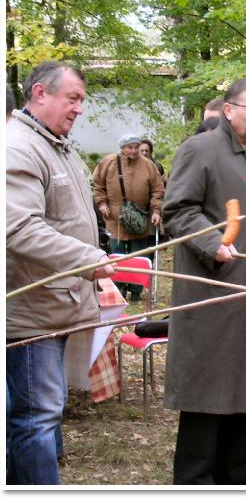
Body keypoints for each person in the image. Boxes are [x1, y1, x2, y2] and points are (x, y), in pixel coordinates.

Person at [162, 78, 246, 485]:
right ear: (228, 109)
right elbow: (179, 211)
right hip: (213, 290)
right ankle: (196, 478)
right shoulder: (200, 150)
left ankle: (238, 470)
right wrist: (212, 242)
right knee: (209, 384)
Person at [6, 61, 115, 484]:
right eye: (73, 98)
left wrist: (94, 253)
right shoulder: (17, 147)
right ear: (39, 93)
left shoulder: (56, 144)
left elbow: (68, 218)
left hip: (56, 302)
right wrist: (87, 260)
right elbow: (18, 228)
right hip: (31, 310)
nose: (80, 109)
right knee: (36, 418)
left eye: (82, 100)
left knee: (41, 417)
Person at [92, 133, 164, 301]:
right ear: (122, 148)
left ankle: (136, 290)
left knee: (138, 254)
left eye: (136, 147)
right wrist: (102, 203)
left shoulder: (148, 165)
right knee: (117, 254)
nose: (134, 150)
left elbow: (158, 190)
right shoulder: (108, 163)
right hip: (115, 218)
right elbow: (98, 184)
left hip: (139, 218)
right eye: (130, 147)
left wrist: (155, 211)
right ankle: (119, 288)